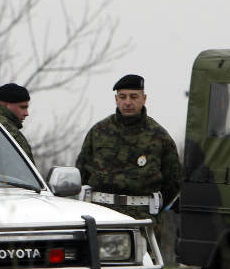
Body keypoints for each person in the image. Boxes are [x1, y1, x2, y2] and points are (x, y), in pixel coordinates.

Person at [75, 74, 181, 231]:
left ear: (144, 99)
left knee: (142, 256)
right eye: (122, 97)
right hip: (101, 214)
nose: (128, 102)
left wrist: (153, 206)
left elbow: (174, 179)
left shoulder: (158, 136)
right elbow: (82, 171)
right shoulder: (99, 132)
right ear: (116, 99)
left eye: (133, 97)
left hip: (142, 218)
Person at [0, 83, 34, 162]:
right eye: (22, 107)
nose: (26, 113)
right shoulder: (10, 133)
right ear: (5, 105)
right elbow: (21, 172)